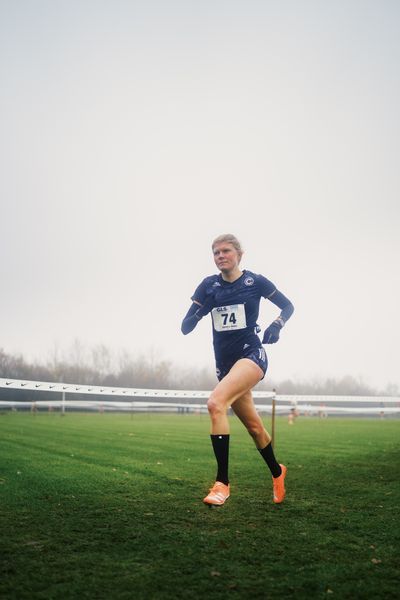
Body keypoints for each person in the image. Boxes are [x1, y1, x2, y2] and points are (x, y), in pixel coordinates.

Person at [181, 234, 294, 506]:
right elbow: (185, 327)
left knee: (215, 403)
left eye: (226, 251)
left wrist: (277, 324)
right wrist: (201, 310)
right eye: (216, 252)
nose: (220, 256)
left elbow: (288, 306)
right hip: (225, 367)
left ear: (239, 254)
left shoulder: (255, 282)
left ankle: (222, 484)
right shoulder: (208, 286)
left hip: (252, 356)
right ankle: (278, 473)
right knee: (255, 427)